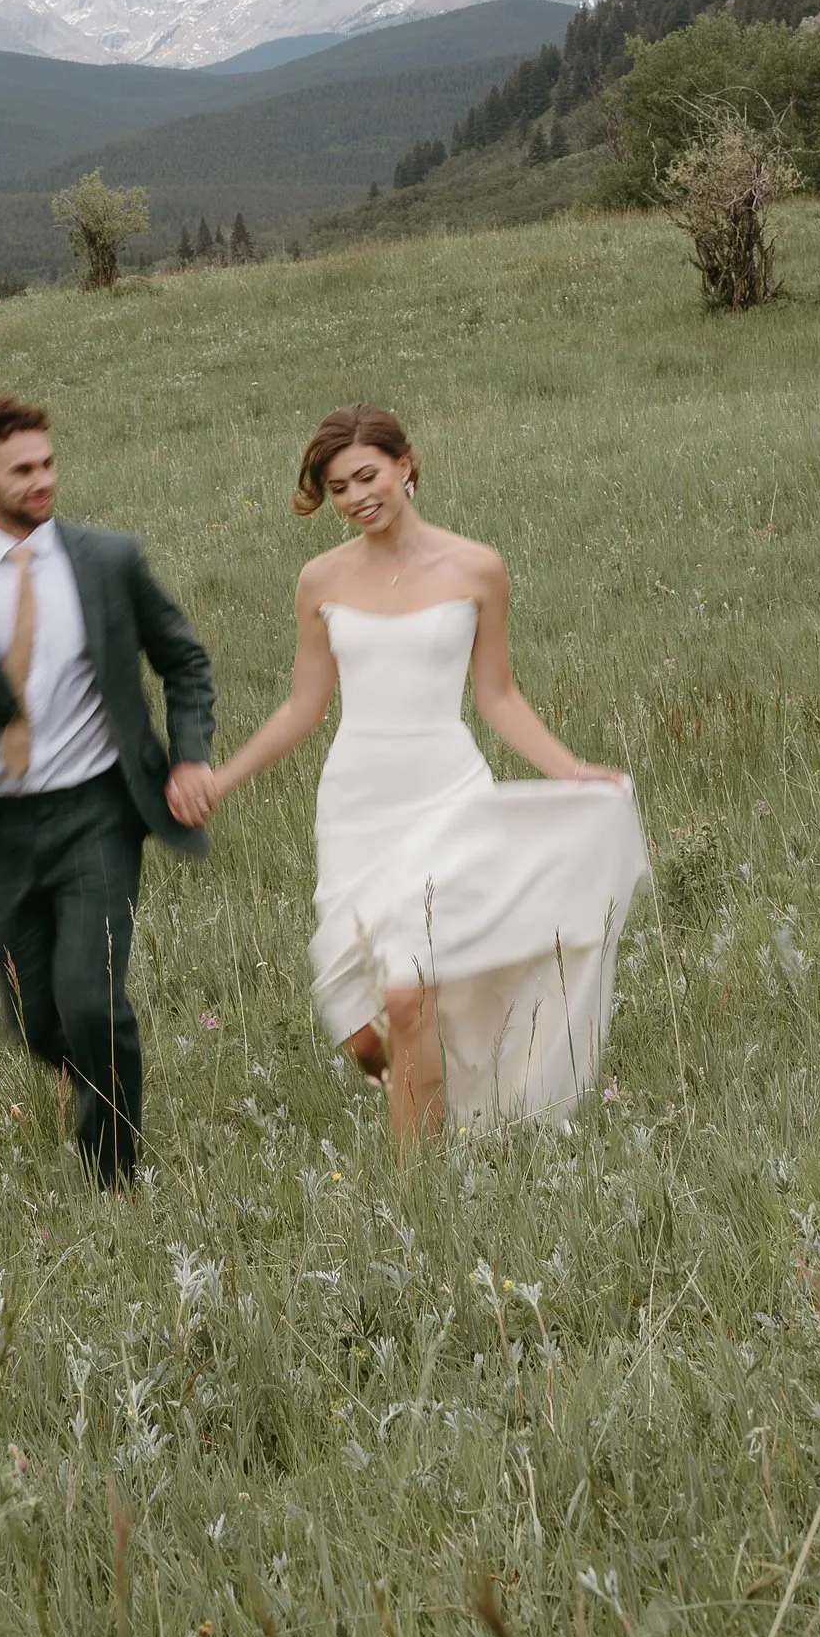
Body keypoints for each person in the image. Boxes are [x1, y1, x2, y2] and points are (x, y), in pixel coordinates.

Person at [195, 406, 647, 1143]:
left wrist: (571, 770)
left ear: (406, 464)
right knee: (355, 1010)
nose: (355, 497)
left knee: (409, 998)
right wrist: (222, 778)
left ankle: (418, 1192)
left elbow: (497, 697)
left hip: (447, 796)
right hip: (357, 803)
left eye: (367, 475)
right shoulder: (321, 580)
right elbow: (303, 707)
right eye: (339, 487)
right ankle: (422, 1094)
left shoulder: (477, 568)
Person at [0, 397, 215, 1188]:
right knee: (36, 1022)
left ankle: (115, 1177)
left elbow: (184, 661)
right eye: (22, 470)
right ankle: (100, 1074)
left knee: (92, 1004)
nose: (42, 481)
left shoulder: (109, 561)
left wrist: (190, 757)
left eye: (48, 464)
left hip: (97, 812)